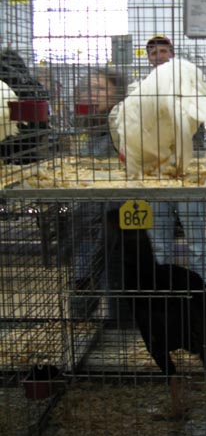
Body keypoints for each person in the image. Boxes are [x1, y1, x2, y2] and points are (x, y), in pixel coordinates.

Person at [142, 35, 206, 284]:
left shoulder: (188, 84)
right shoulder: (144, 89)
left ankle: (202, 293)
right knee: (158, 245)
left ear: (171, 53)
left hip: (189, 173)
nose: (159, 56)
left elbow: (202, 123)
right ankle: (164, 294)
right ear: (148, 59)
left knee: (197, 244)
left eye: (163, 51)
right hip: (156, 174)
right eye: (153, 53)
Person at [69, 67, 129, 320]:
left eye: (101, 89)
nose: (94, 95)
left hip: (112, 213)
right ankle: (83, 317)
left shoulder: (121, 126)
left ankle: (119, 322)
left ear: (117, 95)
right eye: (90, 89)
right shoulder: (90, 126)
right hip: (87, 214)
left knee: (111, 267)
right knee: (87, 266)